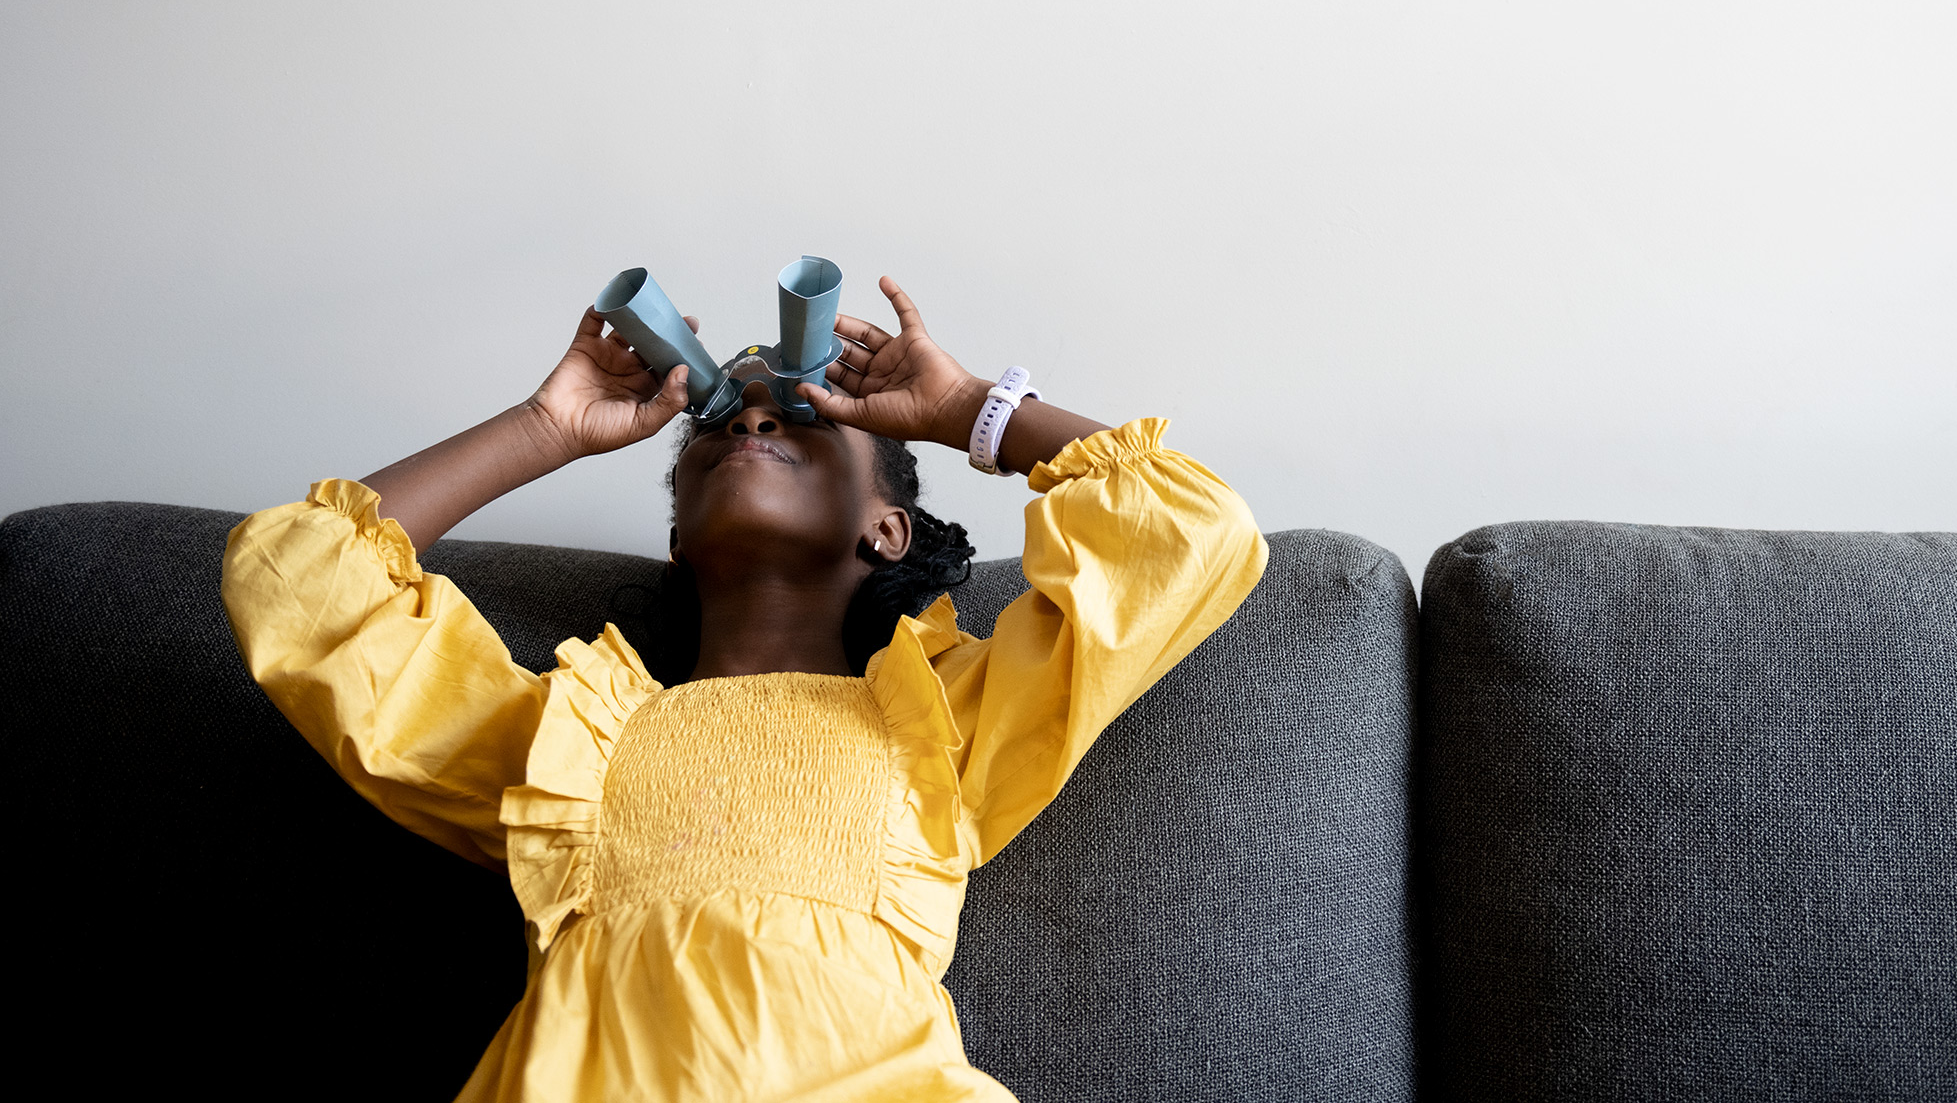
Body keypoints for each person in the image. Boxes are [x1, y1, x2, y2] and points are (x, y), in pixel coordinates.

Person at [222, 276, 1267, 1102]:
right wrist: (543, 427)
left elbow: (1188, 530)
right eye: (721, 420)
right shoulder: (566, 751)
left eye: (801, 417)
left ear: (884, 527)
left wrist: (963, 410)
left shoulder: (937, 714)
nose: (751, 424)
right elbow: (302, 575)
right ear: (680, 541)